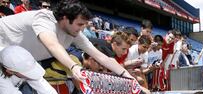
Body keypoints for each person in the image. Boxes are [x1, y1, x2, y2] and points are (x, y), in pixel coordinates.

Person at [0, 0, 138, 86]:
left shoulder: (73, 32)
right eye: (79, 24)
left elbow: (102, 57)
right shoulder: (43, 19)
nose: (82, 28)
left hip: (15, 66)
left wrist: (130, 78)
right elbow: (53, 45)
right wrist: (73, 67)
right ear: (65, 19)